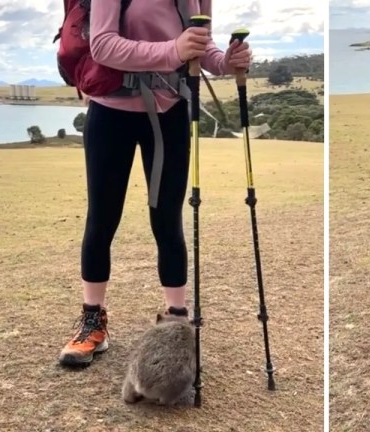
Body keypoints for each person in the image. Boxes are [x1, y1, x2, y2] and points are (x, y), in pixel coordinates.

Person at [58, 0, 252, 367]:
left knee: (168, 221)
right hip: (111, 111)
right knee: (102, 219)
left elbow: (200, 46)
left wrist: (225, 62)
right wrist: (172, 50)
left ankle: (177, 321)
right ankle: (92, 321)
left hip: (170, 112)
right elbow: (103, 45)